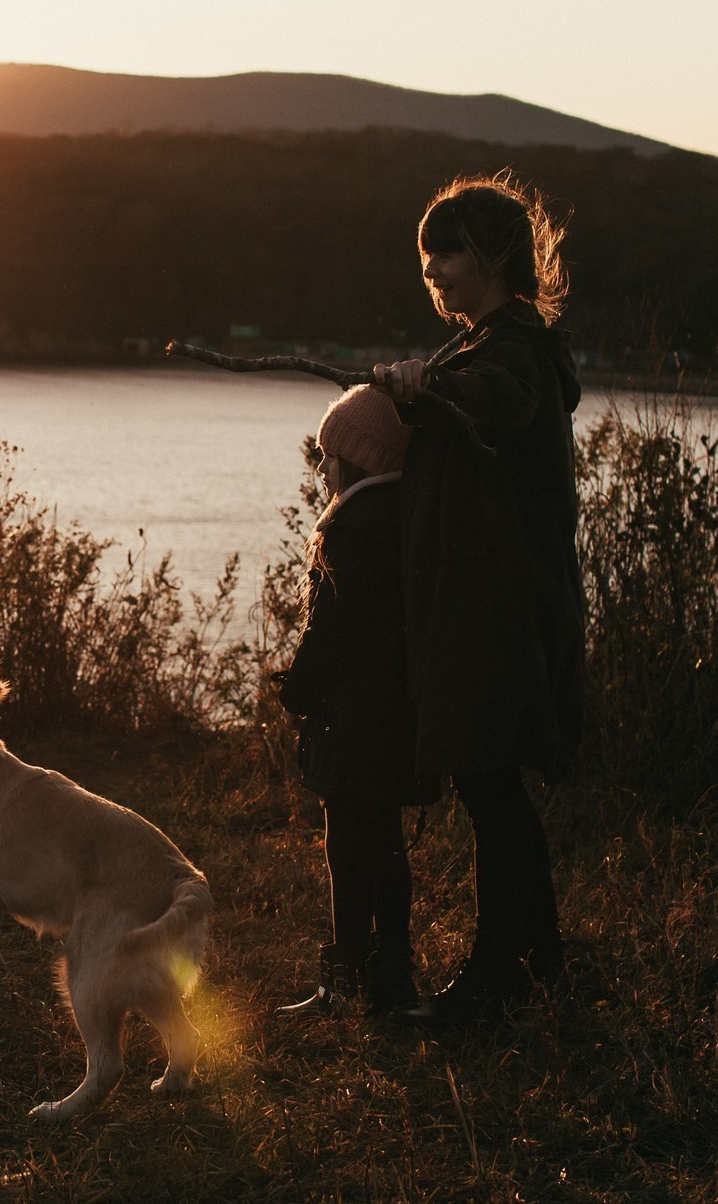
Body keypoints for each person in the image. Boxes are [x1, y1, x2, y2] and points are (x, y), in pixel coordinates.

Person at [372, 174, 587, 1023]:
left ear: (495, 256)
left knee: (491, 790)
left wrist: (428, 390)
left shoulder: (512, 353)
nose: (433, 273)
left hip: (495, 610)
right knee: (491, 790)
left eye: (447, 254)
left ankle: (501, 977)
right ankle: (535, 965)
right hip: (478, 605)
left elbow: (497, 405)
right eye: (426, 260)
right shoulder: (482, 347)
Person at [276, 385, 440, 1016]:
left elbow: (332, 630)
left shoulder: (352, 525)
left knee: (348, 847)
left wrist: (296, 694)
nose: (322, 470)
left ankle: (345, 978)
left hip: (355, 720)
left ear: (356, 458)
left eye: (328, 455)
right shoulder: (406, 518)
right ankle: (391, 973)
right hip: (398, 715)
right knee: (387, 845)